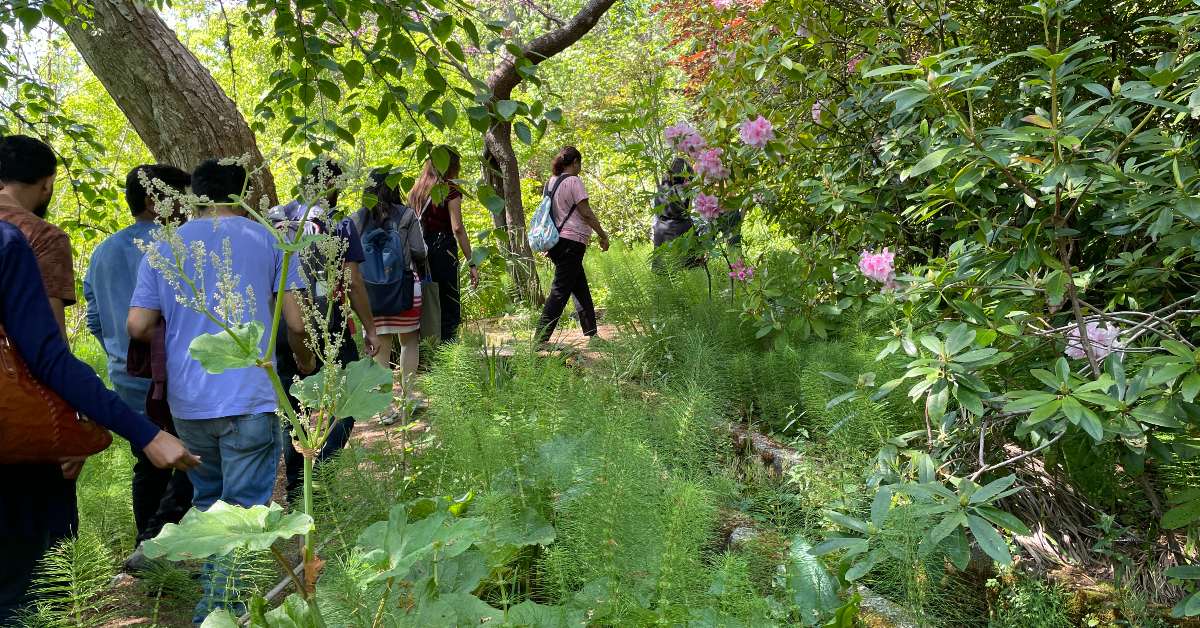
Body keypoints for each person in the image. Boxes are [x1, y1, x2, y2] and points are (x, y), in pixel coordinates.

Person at [127, 159, 314, 624]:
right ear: (244, 193)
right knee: (243, 515)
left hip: (189, 401)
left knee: (211, 506)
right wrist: (307, 366)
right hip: (250, 396)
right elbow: (296, 321)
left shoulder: (165, 245)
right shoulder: (270, 239)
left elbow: (137, 323)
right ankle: (215, 613)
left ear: (195, 195)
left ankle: (216, 605)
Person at [0, 220, 199, 623]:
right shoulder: (7, 242)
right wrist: (144, 432)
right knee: (30, 592)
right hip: (14, 462)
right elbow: (47, 357)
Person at [84, 164, 194, 571]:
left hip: (125, 377)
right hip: (175, 378)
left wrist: (117, 350)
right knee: (194, 457)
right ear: (154, 200)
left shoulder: (102, 252)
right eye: (181, 196)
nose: (188, 205)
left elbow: (95, 319)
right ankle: (155, 542)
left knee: (149, 461)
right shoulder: (175, 245)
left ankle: (148, 546)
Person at [268, 159, 380, 497]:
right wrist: (371, 328)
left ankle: (297, 486)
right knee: (347, 402)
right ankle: (320, 471)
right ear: (334, 187)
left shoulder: (273, 219)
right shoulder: (337, 224)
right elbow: (354, 281)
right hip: (328, 325)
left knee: (294, 407)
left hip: (281, 326)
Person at [0, 134, 87, 552]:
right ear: (47, 183)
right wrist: (68, 426)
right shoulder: (41, 237)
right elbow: (48, 347)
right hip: (21, 415)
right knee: (41, 562)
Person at [353, 170, 426, 420]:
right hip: (405, 288)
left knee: (380, 348)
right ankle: (407, 400)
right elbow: (419, 251)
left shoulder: (357, 218)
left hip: (370, 293)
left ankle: (384, 409)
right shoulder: (406, 214)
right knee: (409, 342)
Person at [535, 146, 610, 344]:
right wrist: (603, 235)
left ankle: (592, 335)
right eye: (580, 163)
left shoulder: (550, 183)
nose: (580, 168)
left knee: (580, 288)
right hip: (572, 243)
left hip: (557, 242)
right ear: (575, 161)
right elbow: (585, 212)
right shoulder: (574, 181)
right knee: (560, 291)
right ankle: (540, 338)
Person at [408, 150, 479, 342]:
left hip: (420, 250)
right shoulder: (449, 189)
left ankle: (427, 349)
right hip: (443, 249)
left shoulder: (416, 189)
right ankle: (449, 353)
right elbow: (457, 228)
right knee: (449, 304)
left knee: (427, 301)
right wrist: (471, 262)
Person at [651, 157, 696, 249]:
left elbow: (656, 216)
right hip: (679, 232)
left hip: (661, 232)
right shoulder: (681, 189)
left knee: (665, 261)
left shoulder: (661, 188)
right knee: (684, 263)